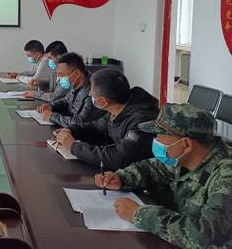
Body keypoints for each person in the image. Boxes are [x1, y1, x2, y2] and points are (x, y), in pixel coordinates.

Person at [94, 103, 232, 248]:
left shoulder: (226, 176)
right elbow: (151, 168)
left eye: (160, 137)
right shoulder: (187, 156)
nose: (156, 142)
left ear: (186, 144)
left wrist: (140, 214)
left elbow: (205, 237)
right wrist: (121, 178)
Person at [53, 68, 159, 170]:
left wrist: (73, 146)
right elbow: (96, 127)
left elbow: (118, 158)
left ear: (103, 102)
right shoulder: (118, 107)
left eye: (91, 93)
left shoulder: (142, 121)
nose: (89, 94)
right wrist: (71, 130)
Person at [37, 52, 104, 127]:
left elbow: (81, 122)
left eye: (62, 74)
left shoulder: (93, 92)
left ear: (76, 73)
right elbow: (66, 100)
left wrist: (52, 117)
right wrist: (51, 106)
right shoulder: (75, 83)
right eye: (58, 74)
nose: (59, 78)